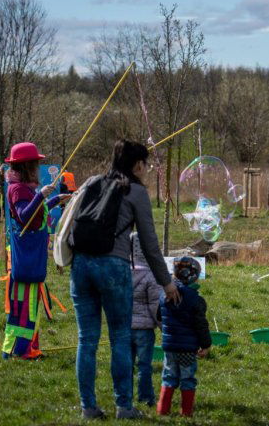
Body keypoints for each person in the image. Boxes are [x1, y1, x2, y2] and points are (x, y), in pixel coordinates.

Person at [69, 140, 180, 420]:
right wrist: (166, 283)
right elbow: (149, 244)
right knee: (119, 337)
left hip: (81, 264)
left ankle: (88, 407)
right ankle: (124, 406)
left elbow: (71, 221)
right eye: (146, 164)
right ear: (137, 165)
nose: (147, 169)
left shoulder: (93, 182)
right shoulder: (136, 192)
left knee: (87, 339)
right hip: (113, 268)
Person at [2, 142, 70, 359]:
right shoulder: (17, 190)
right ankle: (19, 350)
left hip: (33, 259)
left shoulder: (25, 189)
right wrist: (40, 195)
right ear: (25, 166)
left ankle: (29, 348)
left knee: (31, 307)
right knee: (25, 307)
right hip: (26, 261)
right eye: (35, 164)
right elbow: (24, 216)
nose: (38, 169)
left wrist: (55, 200)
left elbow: (37, 213)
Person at [157, 257, 211, 418]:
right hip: (187, 349)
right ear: (195, 276)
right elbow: (201, 325)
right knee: (187, 378)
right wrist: (206, 344)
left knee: (168, 376)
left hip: (169, 346)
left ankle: (162, 410)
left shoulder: (164, 295)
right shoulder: (196, 299)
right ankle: (186, 413)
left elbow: (158, 316)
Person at [130, 232, 163, 408]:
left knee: (125, 364)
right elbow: (156, 306)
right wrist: (165, 328)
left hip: (123, 328)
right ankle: (145, 398)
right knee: (144, 365)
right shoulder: (151, 275)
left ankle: (124, 397)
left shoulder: (121, 272)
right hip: (144, 330)